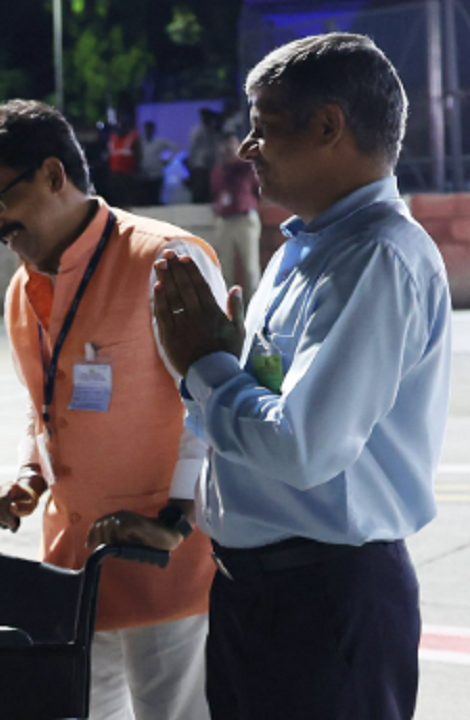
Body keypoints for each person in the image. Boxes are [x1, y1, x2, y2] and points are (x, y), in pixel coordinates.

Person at [153, 33, 451, 720]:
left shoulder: (376, 259)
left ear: (328, 126)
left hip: (325, 600)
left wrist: (205, 364)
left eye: (264, 127)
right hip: (257, 592)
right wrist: (211, 372)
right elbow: (256, 417)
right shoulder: (306, 249)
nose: (246, 149)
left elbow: (303, 447)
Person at [0, 99, 226, 720]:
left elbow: (213, 402)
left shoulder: (164, 261)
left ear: (51, 174)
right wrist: (27, 476)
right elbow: (41, 407)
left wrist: (176, 520)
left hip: (169, 566)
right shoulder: (21, 289)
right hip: (73, 572)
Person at [210, 132, 262, 297]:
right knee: (225, 269)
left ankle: (254, 314)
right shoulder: (218, 171)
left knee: (251, 268)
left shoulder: (248, 167)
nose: (229, 149)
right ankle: (229, 310)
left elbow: (259, 189)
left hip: (245, 218)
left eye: (232, 145)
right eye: (226, 146)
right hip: (224, 220)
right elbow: (215, 191)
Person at [138, 121, 179, 206]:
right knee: (146, 197)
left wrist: (168, 161)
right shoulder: (141, 143)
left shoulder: (159, 142)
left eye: (150, 129)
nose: (148, 131)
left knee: (155, 196)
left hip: (157, 173)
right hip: (145, 174)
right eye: (147, 129)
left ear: (153, 130)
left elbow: (175, 148)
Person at [187, 109, 221, 204]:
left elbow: (215, 146)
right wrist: (191, 162)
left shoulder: (214, 131)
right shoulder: (198, 131)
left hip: (212, 163)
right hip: (200, 164)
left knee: (211, 186)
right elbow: (193, 147)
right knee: (200, 187)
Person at [106, 117, 140, 208]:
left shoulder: (133, 137)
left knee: (128, 193)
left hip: (128, 172)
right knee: (117, 194)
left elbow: (138, 154)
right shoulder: (113, 138)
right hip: (115, 172)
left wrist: (136, 169)